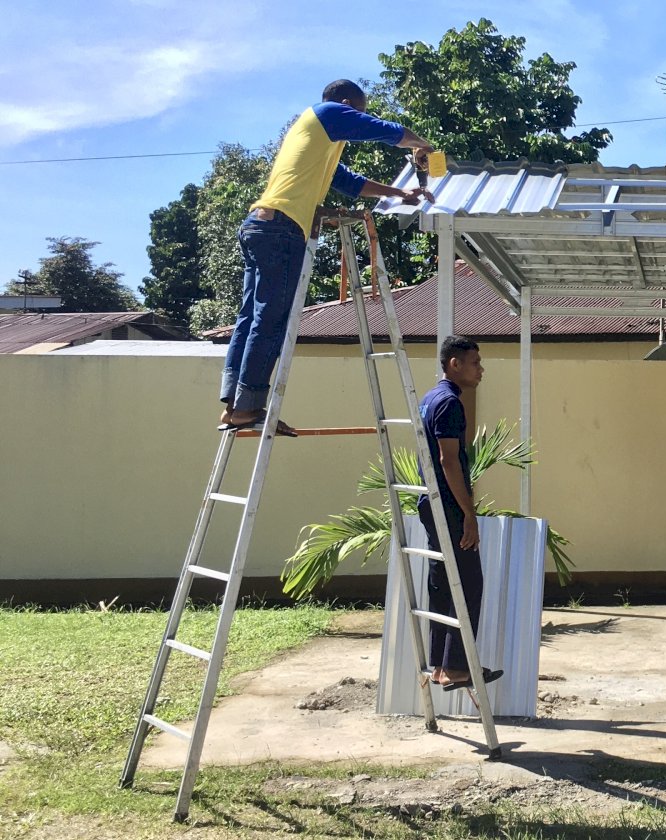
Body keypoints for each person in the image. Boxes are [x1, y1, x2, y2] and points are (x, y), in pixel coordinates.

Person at [218, 79, 437, 434]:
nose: (355, 122)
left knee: (251, 317)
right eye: (357, 113)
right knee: (271, 320)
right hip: (282, 230)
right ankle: (249, 407)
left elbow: (349, 182)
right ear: (348, 104)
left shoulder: (316, 143)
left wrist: (400, 193)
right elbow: (386, 131)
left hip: (259, 226)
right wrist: (422, 145)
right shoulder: (328, 114)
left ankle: (234, 405)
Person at [419, 336, 502, 691]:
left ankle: (441, 665)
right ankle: (455, 667)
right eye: (475, 363)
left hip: (431, 502)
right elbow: (448, 461)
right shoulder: (450, 403)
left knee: (442, 584)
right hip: (449, 505)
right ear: (454, 364)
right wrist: (469, 513)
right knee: (469, 582)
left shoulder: (430, 398)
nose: (480, 370)